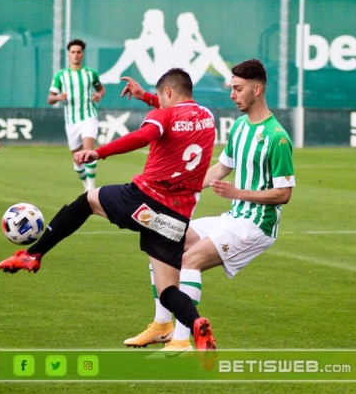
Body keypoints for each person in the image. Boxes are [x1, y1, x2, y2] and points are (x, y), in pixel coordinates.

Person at [0, 68, 218, 355]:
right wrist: (148, 97)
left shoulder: (163, 116)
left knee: (88, 199)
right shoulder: (207, 116)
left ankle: (33, 253)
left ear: (167, 92)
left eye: (160, 97)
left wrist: (99, 152)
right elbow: (177, 115)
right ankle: (196, 322)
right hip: (176, 218)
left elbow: (145, 135)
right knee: (167, 291)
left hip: (145, 200)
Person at [120, 59, 295, 351]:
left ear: (257, 89)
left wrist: (238, 192)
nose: (232, 95)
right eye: (231, 88)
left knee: (190, 261)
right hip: (232, 217)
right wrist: (176, 185)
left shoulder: (277, 139)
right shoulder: (240, 127)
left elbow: (283, 194)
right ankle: (162, 326)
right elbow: (218, 170)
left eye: (238, 89)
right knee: (162, 238)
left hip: (256, 225)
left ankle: (181, 340)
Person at [49, 39, 105, 191]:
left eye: (78, 52)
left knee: (88, 151)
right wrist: (58, 97)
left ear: (82, 54)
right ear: (68, 54)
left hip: (89, 116)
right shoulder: (61, 75)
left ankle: (91, 188)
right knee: (77, 158)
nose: (75, 55)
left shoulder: (90, 73)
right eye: (73, 52)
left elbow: (101, 89)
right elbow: (50, 98)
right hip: (71, 120)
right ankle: (85, 184)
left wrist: (98, 95)